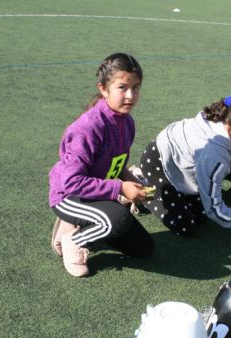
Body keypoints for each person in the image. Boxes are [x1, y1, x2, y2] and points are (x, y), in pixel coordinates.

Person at [48, 53, 154, 277]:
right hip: (69, 196)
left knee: (144, 248)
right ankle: (73, 239)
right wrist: (120, 188)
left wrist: (131, 180)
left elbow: (118, 164)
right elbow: (71, 182)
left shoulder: (127, 122)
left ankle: (86, 224)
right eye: (122, 87)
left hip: (97, 193)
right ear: (104, 89)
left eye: (136, 88)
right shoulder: (88, 128)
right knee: (119, 218)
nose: (130, 95)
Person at [139, 91, 231, 238]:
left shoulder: (228, 118)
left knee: (201, 218)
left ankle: (174, 191)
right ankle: (141, 185)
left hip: (180, 162)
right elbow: (214, 209)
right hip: (158, 163)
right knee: (186, 227)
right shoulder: (215, 154)